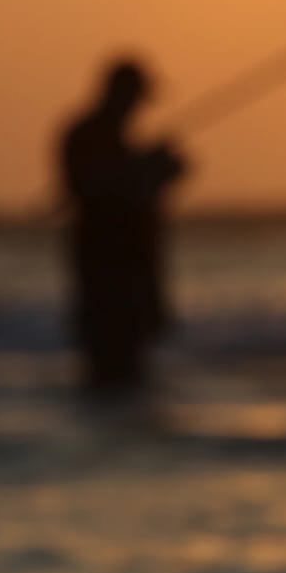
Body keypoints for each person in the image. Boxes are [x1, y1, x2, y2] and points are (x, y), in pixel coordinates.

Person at [59, 57, 188, 391]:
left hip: (136, 275)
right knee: (111, 374)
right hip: (108, 277)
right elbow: (97, 190)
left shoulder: (120, 145)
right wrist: (148, 169)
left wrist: (157, 170)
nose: (137, 110)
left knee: (130, 377)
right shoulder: (84, 136)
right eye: (135, 99)